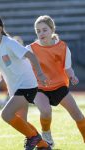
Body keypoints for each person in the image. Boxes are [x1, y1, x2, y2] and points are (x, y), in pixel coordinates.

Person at [0, 12, 51, 150]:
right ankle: (43, 145)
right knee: (22, 122)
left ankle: (34, 138)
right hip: (15, 90)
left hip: (27, 86)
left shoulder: (9, 43)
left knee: (6, 115)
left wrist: (40, 74)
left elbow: (31, 55)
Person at [26, 15, 85, 147]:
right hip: (39, 87)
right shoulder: (30, 49)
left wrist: (72, 76)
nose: (41, 33)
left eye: (44, 29)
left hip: (59, 86)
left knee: (79, 116)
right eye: (38, 31)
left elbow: (68, 67)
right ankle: (46, 135)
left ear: (52, 29)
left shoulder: (63, 47)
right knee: (46, 111)